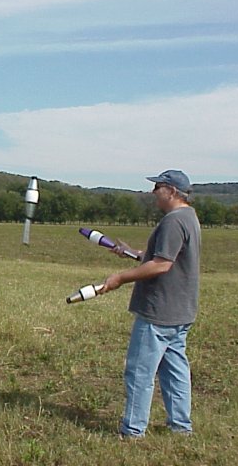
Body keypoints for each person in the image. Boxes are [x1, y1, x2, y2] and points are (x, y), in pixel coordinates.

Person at [100, 170, 201, 438]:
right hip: (180, 311)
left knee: (139, 373)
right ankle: (181, 427)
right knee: (175, 369)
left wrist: (120, 278)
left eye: (157, 187)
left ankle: (132, 430)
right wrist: (131, 253)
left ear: (170, 190)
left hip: (159, 312)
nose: (153, 192)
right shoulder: (189, 217)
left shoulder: (173, 221)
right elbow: (160, 256)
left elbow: (161, 264)